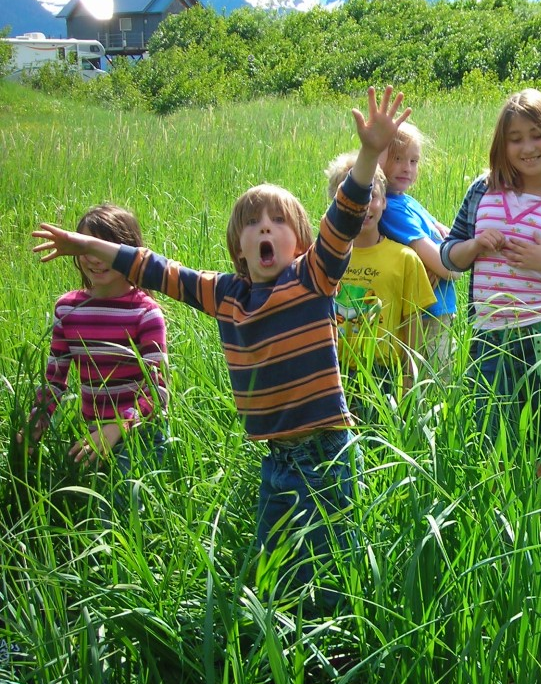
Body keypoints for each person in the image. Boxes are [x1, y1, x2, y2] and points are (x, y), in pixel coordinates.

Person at [31, 86, 410, 610]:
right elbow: (156, 270)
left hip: (326, 452)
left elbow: (344, 218)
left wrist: (368, 154)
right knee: (272, 564)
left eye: (277, 223)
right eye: (253, 225)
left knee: (329, 563)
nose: (264, 230)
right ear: (239, 247)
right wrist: (91, 246)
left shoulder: (313, 278)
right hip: (276, 457)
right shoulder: (227, 295)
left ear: (299, 240)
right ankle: (279, 641)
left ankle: (336, 652)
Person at [441, 88, 541, 467]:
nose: (527, 147)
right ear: (502, 145)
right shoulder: (482, 192)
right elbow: (450, 253)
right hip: (490, 339)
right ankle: (503, 522)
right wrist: (477, 245)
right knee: (493, 447)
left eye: (537, 135)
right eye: (515, 139)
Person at [23, 203, 169, 503]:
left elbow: (159, 390)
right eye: (86, 247)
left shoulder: (145, 313)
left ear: (128, 254)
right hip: (94, 433)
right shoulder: (68, 309)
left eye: (105, 249)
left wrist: (119, 427)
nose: (94, 259)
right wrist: (37, 420)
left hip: (142, 432)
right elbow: (55, 379)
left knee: (122, 508)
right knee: (77, 504)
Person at [324, 152, 434, 408]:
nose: (362, 206)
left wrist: (410, 385)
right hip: (330, 374)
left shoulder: (405, 259)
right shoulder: (324, 257)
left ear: (383, 201)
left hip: (382, 376)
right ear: (335, 203)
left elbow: (414, 331)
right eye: (350, 198)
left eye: (371, 196)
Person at [379, 122, 459, 381]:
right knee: (430, 384)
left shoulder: (408, 201)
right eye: (398, 158)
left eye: (413, 161)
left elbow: (446, 235)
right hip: (426, 314)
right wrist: (455, 263)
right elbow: (447, 266)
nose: (407, 168)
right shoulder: (392, 209)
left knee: (439, 379)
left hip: (438, 308)